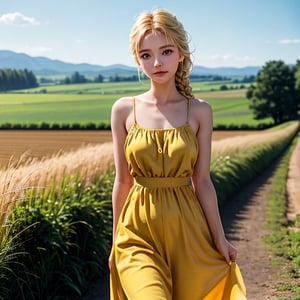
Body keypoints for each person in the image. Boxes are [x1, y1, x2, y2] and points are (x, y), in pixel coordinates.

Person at [109, 8, 247, 300]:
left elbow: (203, 182)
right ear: (137, 60)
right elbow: (122, 182)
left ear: (181, 53)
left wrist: (219, 238)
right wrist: (114, 245)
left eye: (166, 51)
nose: (157, 62)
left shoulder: (200, 111)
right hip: (136, 234)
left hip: (188, 232)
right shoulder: (123, 110)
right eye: (146, 55)